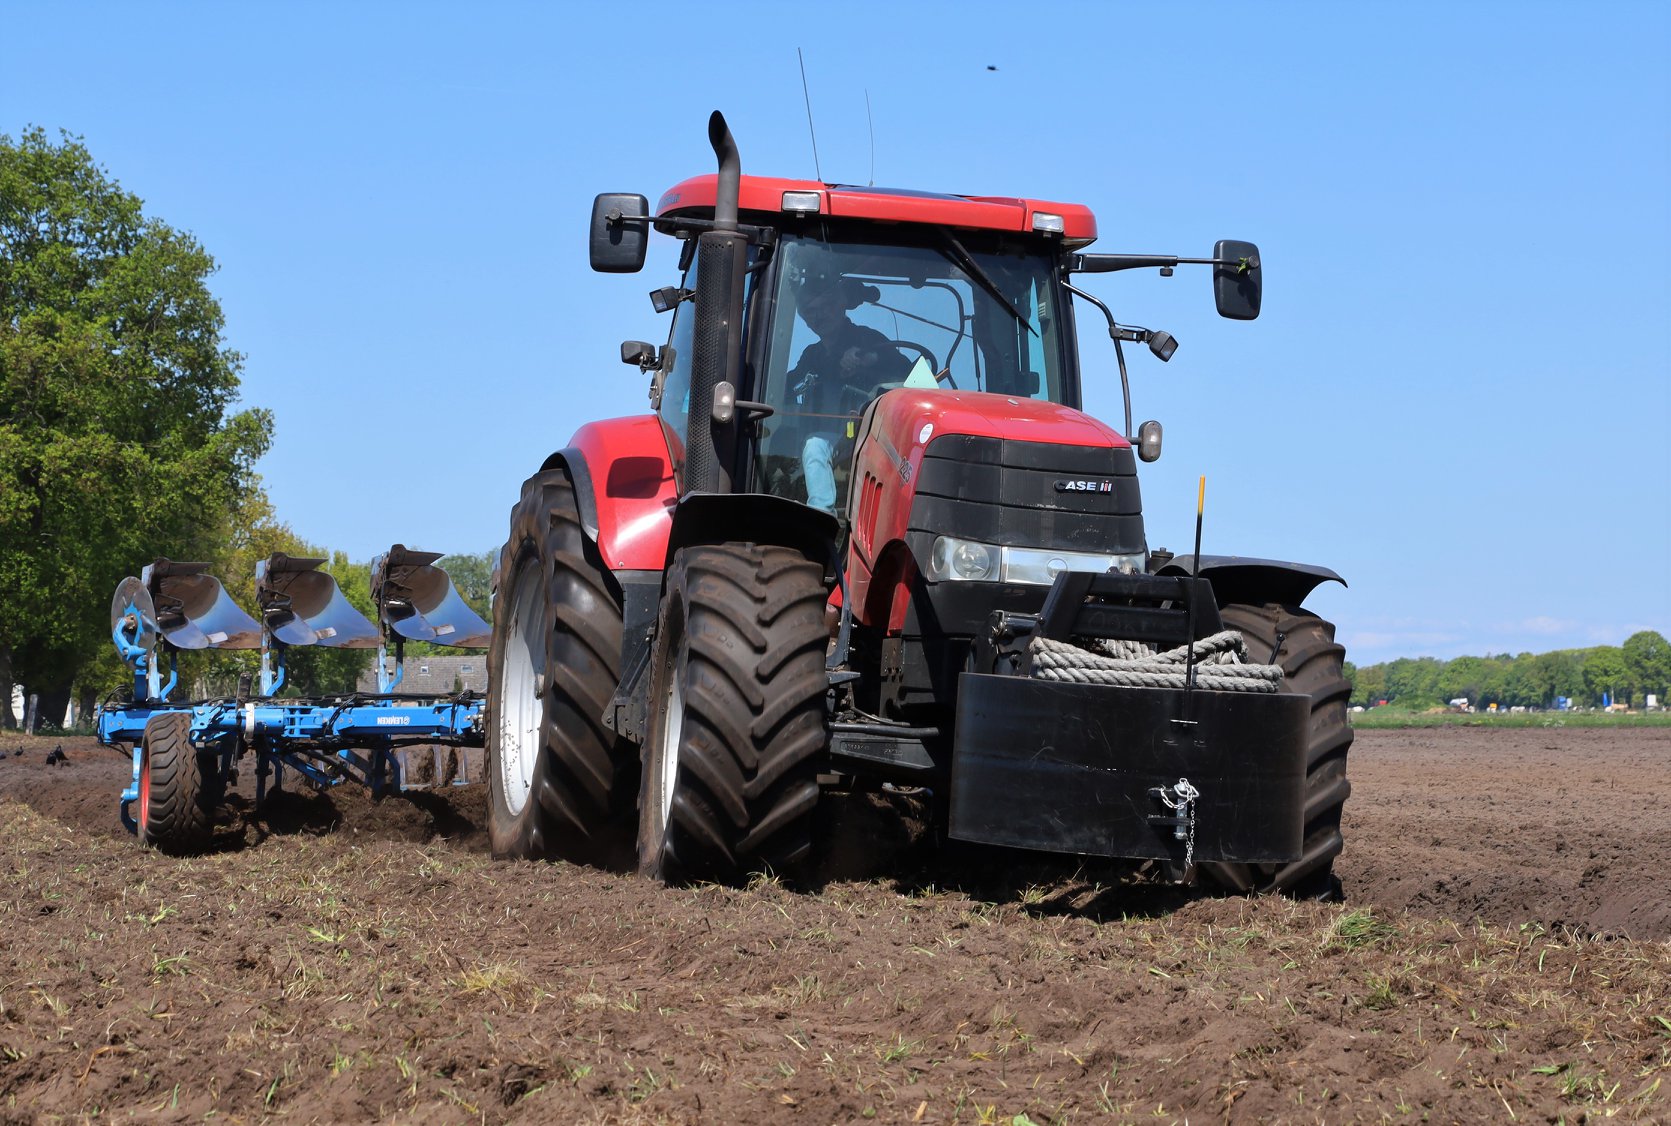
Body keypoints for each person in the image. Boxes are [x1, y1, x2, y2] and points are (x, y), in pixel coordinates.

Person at [790, 277, 910, 513]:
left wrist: (870, 359)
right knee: (814, 446)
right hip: (833, 437)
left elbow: (904, 369)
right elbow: (788, 382)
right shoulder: (811, 355)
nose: (819, 316)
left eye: (826, 306)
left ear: (841, 305)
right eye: (810, 311)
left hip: (873, 435)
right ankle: (821, 515)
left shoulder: (869, 339)